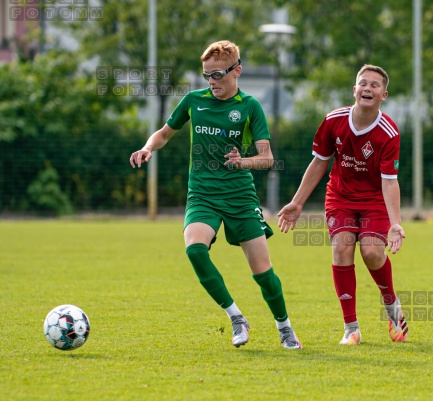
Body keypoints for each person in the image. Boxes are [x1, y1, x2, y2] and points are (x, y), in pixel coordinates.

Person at [129, 40, 302, 349]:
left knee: (262, 273)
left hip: (239, 196)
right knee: (195, 250)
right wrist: (146, 148)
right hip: (202, 194)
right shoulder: (194, 100)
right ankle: (236, 317)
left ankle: (284, 327)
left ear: (237, 71)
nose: (212, 81)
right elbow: (164, 133)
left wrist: (242, 161)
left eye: (218, 74)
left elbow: (267, 158)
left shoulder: (250, 106)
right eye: (206, 75)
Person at [277, 64, 408, 345]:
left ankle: (391, 305)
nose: (368, 88)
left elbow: (389, 181)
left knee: (372, 252)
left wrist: (395, 222)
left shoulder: (389, 132)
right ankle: (351, 328)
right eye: (363, 83)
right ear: (354, 90)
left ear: (384, 94)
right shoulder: (333, 121)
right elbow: (319, 162)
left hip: (374, 200)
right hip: (340, 197)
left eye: (375, 85)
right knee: (342, 247)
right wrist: (297, 203)